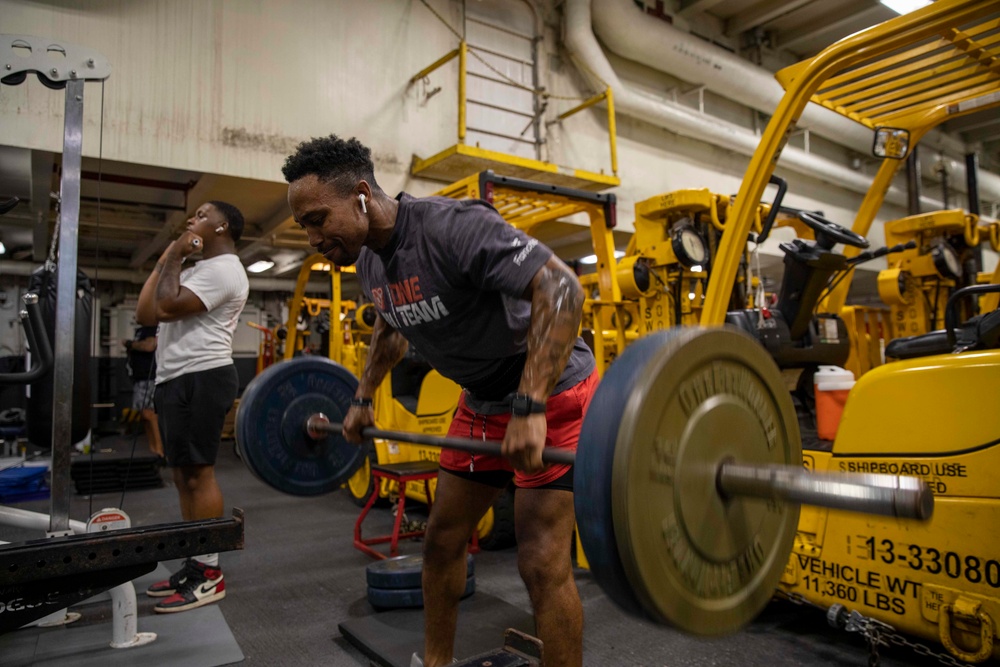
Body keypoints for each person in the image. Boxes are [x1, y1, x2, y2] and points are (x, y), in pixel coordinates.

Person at [283, 136, 597, 667]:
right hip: (480, 401)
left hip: (551, 387)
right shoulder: (369, 263)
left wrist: (530, 405)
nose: (313, 237)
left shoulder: (451, 226)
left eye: (318, 219)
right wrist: (362, 398)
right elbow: (390, 326)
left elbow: (563, 290)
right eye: (305, 227)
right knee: (442, 543)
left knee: (541, 563)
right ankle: (436, 664)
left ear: (361, 194)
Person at [135, 201, 249, 614]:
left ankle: (209, 572)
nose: (191, 219)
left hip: (203, 375)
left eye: (201, 215)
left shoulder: (224, 269)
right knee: (182, 475)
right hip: (176, 377)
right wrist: (171, 254)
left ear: (221, 226)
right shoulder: (192, 270)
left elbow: (165, 308)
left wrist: (178, 254)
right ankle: (195, 561)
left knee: (199, 473)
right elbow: (146, 311)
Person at [123, 325, 163, 460]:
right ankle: (154, 450)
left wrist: (130, 344)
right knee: (144, 415)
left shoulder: (151, 328)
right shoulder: (141, 330)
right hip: (139, 377)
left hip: (149, 377)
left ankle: (160, 451)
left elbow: (150, 346)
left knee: (149, 414)